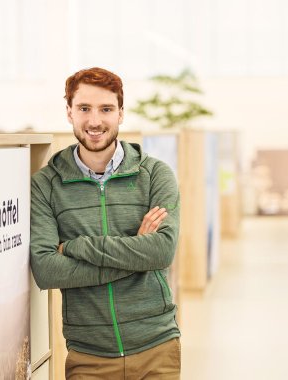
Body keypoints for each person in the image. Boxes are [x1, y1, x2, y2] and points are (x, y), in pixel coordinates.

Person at [30, 67, 181, 379]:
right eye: (84, 108)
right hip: (89, 357)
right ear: (69, 112)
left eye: (106, 109)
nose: (95, 121)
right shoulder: (46, 184)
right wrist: (138, 254)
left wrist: (75, 247)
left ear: (121, 114)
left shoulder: (155, 175)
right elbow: (46, 270)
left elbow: (162, 252)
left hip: (157, 347)